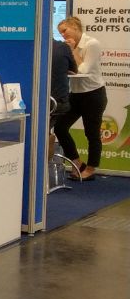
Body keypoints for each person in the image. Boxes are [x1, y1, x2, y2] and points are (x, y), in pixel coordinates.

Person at [54, 17, 106, 181]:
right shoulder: (66, 46)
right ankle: (77, 163)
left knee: (92, 133)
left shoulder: (92, 44)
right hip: (76, 94)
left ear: (75, 27)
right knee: (60, 128)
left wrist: (72, 50)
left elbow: (81, 70)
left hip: (94, 94)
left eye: (65, 31)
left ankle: (91, 169)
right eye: (60, 33)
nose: (63, 35)